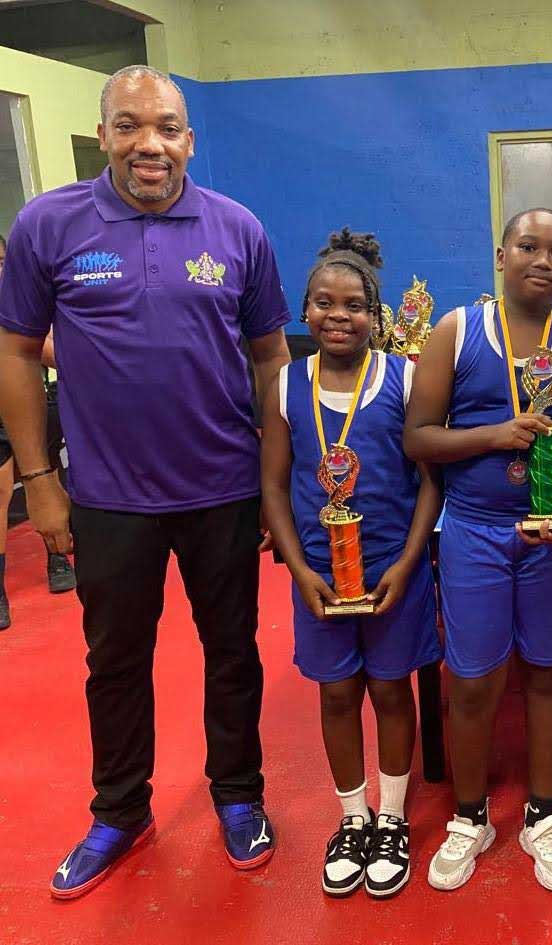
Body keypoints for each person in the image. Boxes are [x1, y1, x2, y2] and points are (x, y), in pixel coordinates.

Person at [0, 65, 291, 899]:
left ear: (189, 139)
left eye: (165, 126)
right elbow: (17, 353)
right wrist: (39, 481)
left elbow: (271, 357)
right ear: (104, 136)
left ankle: (240, 794)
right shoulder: (47, 226)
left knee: (233, 652)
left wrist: (276, 481)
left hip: (225, 490)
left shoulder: (238, 229)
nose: (149, 144)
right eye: (129, 126)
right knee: (114, 661)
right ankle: (120, 809)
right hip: (106, 497)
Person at [404, 208, 552, 893]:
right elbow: (421, 438)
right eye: (529, 245)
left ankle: (542, 816)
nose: (542, 259)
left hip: (551, 539)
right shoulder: (455, 332)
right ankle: (470, 817)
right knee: (472, 677)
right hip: (474, 530)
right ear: (502, 253)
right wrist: (496, 435)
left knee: (549, 672)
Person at [261, 229, 441, 898]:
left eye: (354, 305)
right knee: (337, 694)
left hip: (395, 571)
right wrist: (295, 566)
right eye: (323, 303)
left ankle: (391, 817)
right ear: (303, 310)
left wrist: (411, 559)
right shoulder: (284, 385)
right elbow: (274, 484)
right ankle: (352, 816)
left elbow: (430, 481)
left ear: (378, 314)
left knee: (393, 690)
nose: (338, 316)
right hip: (319, 577)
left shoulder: (406, 377)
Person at [0, 234, 75, 631]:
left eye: (1, 261)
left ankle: (57, 557)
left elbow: (48, 349)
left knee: (47, 478)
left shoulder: (23, 301)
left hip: (33, 406)